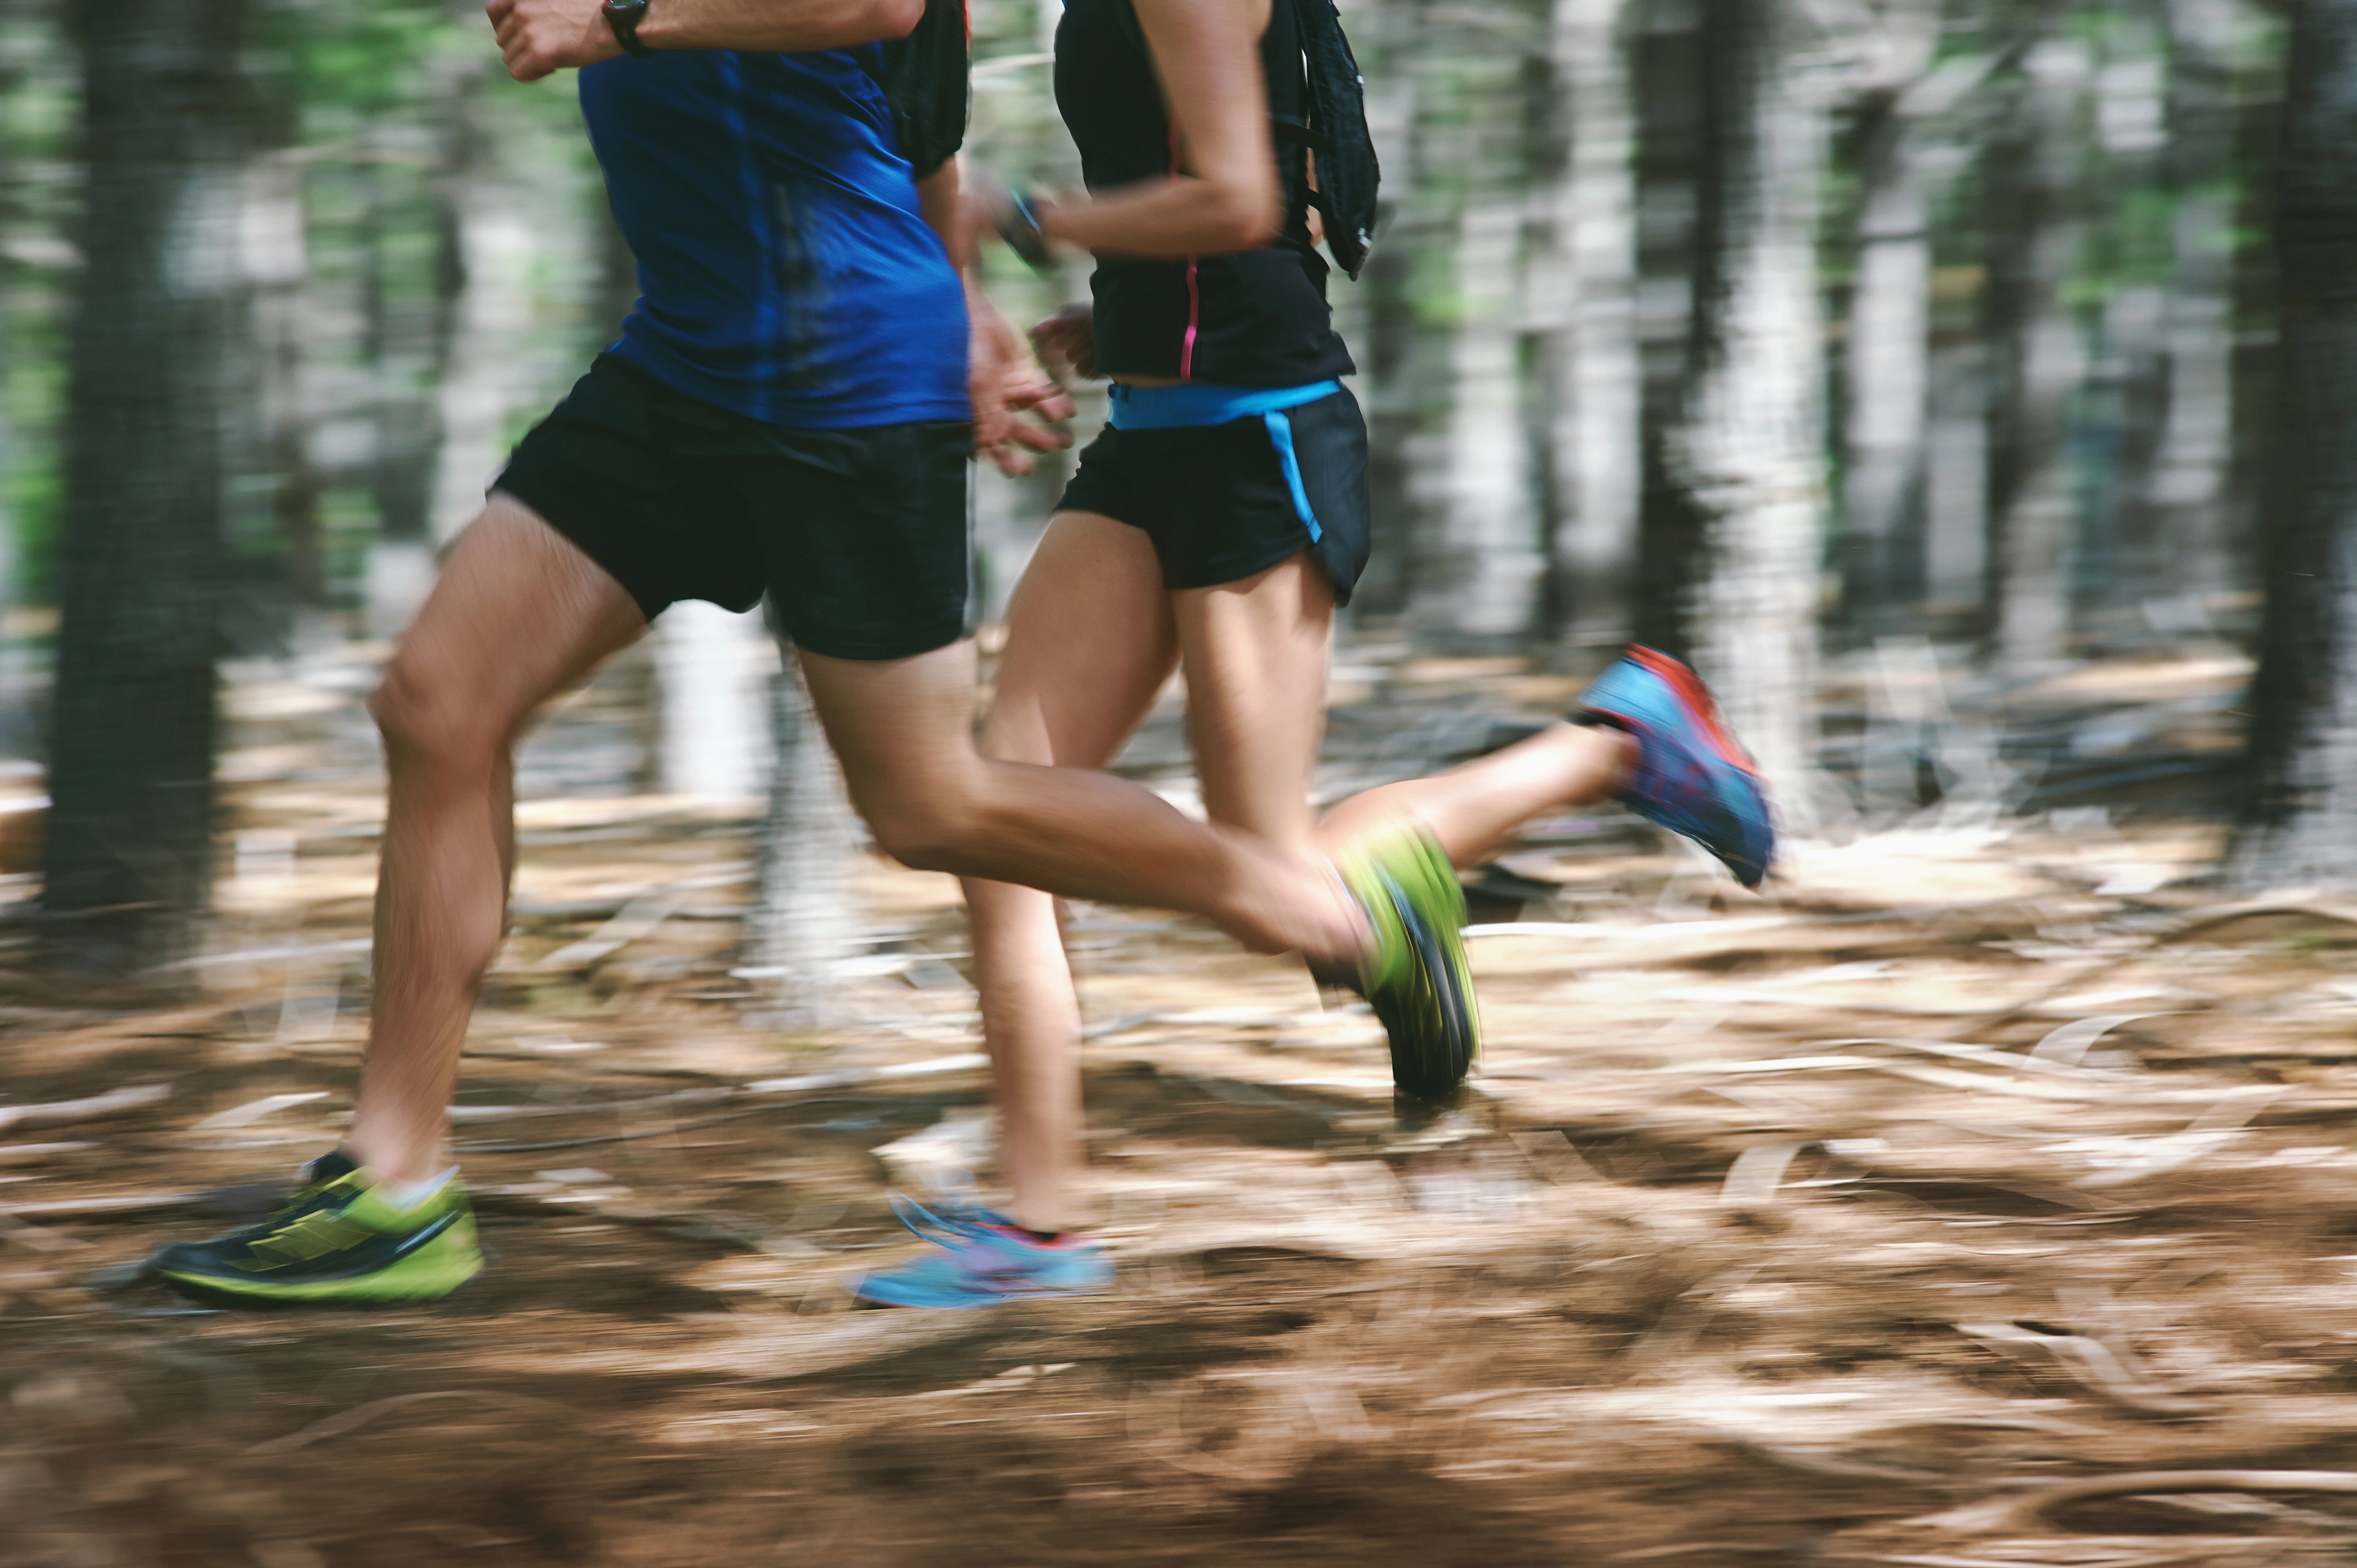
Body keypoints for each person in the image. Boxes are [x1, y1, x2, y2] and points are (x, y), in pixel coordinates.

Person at [146, 0, 1476, 1306]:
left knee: (930, 806)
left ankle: (1348, 924)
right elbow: (924, 95)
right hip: (684, 359)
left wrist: (615, 23)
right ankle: (397, 1189)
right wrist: (971, 303)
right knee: (434, 702)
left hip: (839, 372)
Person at [848, 0, 1773, 1308]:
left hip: (1257, 441)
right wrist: (1114, 322)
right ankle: (1041, 1225)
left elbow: (1236, 199)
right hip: (1159, 432)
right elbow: (1211, 201)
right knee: (992, 822)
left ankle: (1620, 744)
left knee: (1270, 875)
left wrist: (1018, 214)